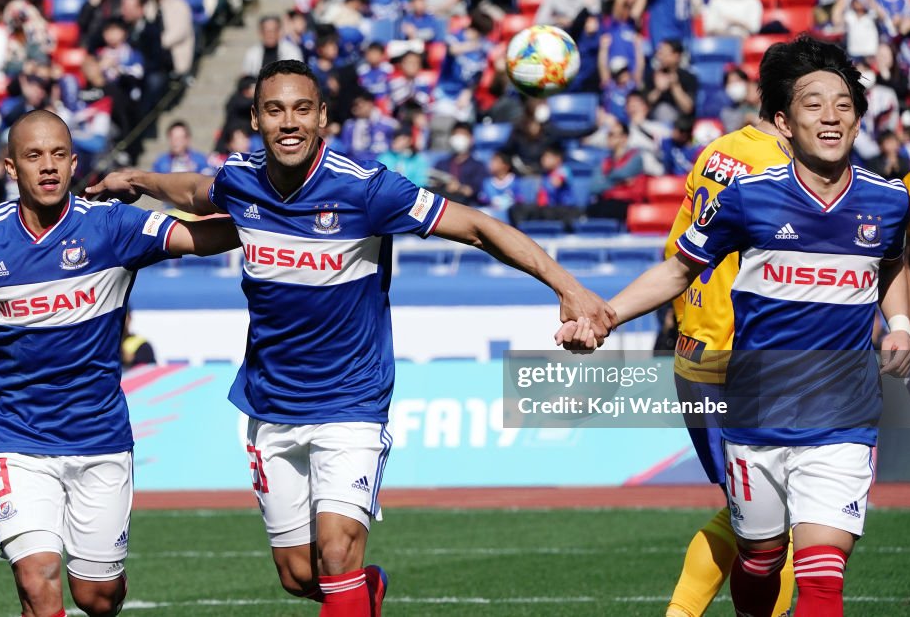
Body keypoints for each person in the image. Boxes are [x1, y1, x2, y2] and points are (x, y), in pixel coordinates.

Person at [86, 59, 616, 616]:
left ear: (322, 119)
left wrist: (567, 286)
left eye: (300, 109)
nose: (288, 122)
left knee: (337, 552)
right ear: (255, 120)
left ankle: (352, 590)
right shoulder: (240, 179)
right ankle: (367, 592)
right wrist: (138, 181)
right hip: (271, 404)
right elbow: (197, 190)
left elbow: (480, 227)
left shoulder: (367, 191)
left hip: (350, 401)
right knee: (299, 576)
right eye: (274, 110)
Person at [560, 36, 910, 617]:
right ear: (784, 121)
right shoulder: (748, 196)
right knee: (760, 557)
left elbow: (893, 260)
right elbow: (679, 268)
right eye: (814, 104)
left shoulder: (886, 200)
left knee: (823, 576)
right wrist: (607, 315)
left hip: (843, 415)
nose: (831, 117)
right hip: (753, 408)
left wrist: (899, 323)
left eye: (844, 105)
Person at [0, 110, 238, 617]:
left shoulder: (111, 225)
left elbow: (199, 239)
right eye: (34, 156)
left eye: (59, 155)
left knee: (96, 595)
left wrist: (271, 215)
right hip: (15, 434)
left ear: (73, 163)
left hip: (99, 435)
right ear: (10, 167)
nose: (48, 167)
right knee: (38, 580)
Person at [660, 85, 796, 617]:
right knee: (773, 515)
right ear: (789, 115)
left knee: (747, 510)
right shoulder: (780, 169)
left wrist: (684, 320)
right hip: (748, 353)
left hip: (698, 346)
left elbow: (676, 248)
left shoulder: (716, 150)